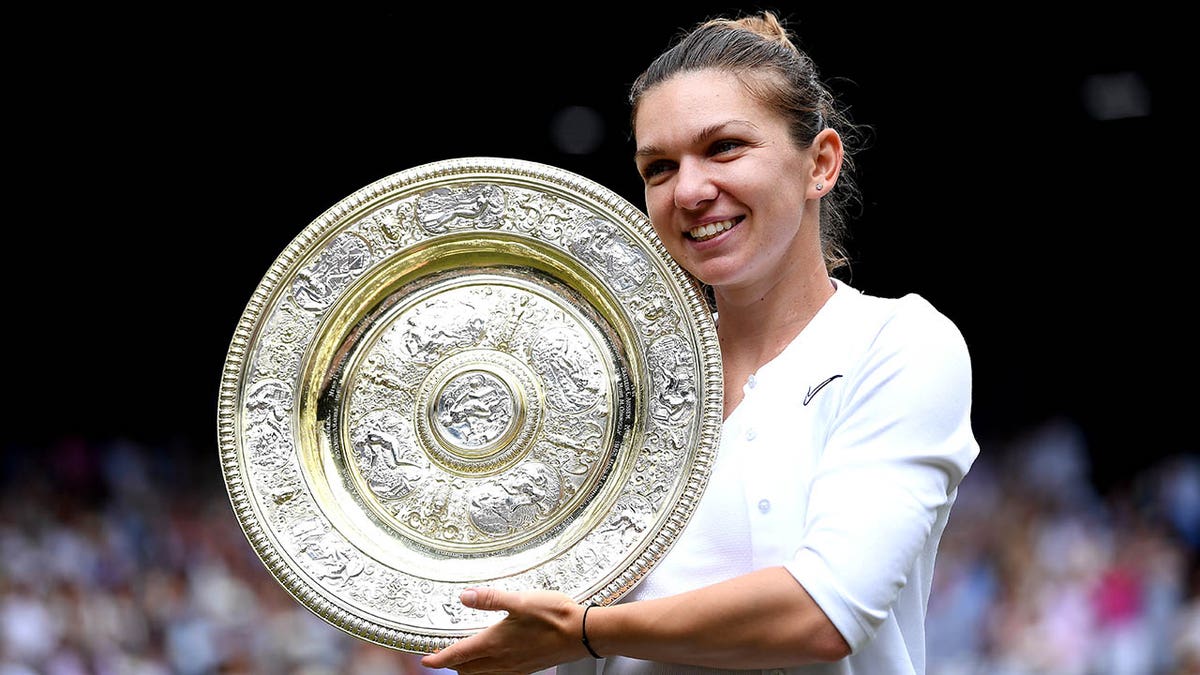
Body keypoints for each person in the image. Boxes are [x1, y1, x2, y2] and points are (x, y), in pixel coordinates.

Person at [421, 10, 979, 674]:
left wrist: (591, 630)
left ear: (820, 164)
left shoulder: (899, 343)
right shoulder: (615, 395)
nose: (689, 190)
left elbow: (824, 614)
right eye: (658, 167)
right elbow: (547, 627)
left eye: (724, 148)